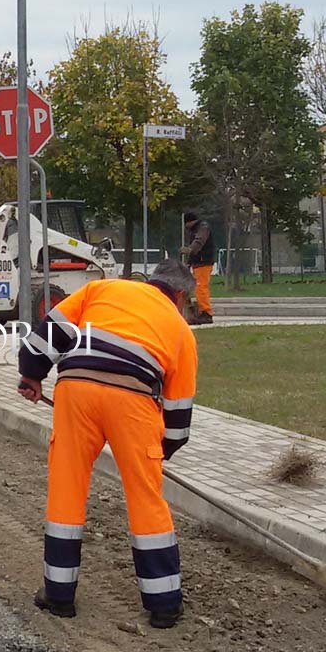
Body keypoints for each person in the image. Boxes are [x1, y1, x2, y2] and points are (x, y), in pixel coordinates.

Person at [17, 259, 198, 628]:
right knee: (145, 498)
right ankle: (163, 605)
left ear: (151, 281)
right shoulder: (181, 331)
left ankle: (58, 595)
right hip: (133, 401)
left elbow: (49, 331)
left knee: (66, 488)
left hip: (76, 389)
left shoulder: (105, 288)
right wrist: (158, 454)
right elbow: (178, 416)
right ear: (179, 296)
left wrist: (31, 375)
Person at [180, 212, 215, 325]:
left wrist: (190, 249)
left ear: (190, 221)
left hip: (203, 261)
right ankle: (202, 311)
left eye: (186, 224)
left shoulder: (202, 227)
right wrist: (188, 263)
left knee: (201, 287)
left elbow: (199, 242)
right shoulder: (196, 229)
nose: (186, 227)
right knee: (199, 287)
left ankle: (206, 313)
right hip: (198, 262)